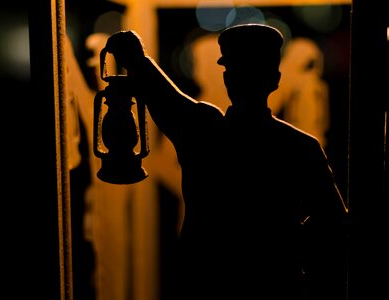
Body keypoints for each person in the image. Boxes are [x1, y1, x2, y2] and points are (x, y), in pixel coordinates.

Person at [104, 23, 348, 300]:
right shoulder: (300, 146)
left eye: (235, 70)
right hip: (274, 285)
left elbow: (163, 96)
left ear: (227, 78)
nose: (234, 78)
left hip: (207, 283)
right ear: (275, 79)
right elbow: (334, 225)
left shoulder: (203, 129)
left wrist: (135, 58)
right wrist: (284, 244)